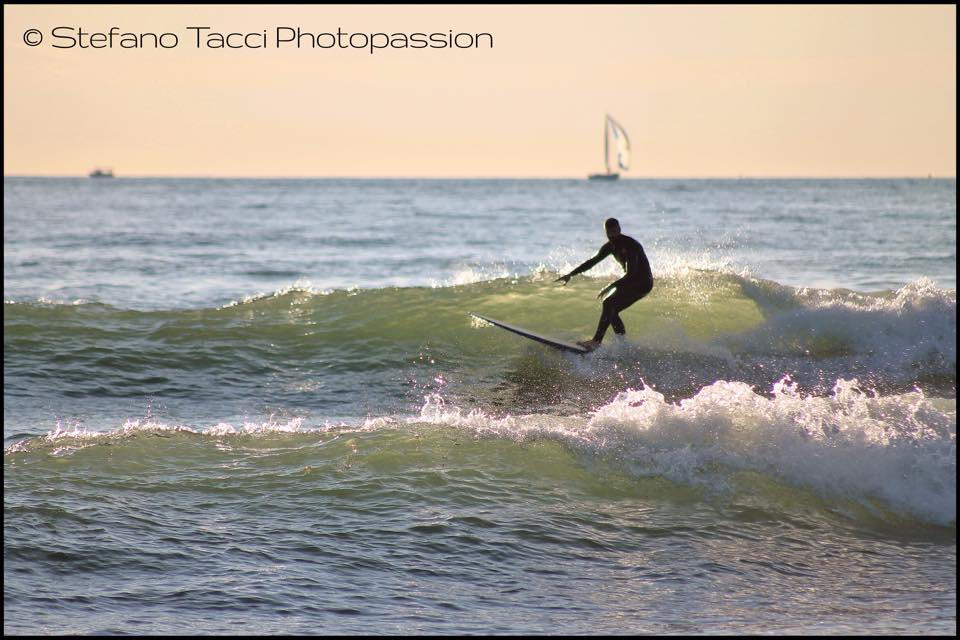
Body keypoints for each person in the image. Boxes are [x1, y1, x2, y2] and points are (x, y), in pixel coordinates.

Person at [555, 217, 653, 351]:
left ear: (619, 229)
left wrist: (609, 287)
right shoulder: (610, 246)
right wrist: (571, 274)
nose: (612, 235)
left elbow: (631, 275)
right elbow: (592, 262)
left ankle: (596, 341)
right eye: (609, 233)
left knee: (608, 303)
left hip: (642, 282)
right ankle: (623, 345)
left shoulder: (631, 245)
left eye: (614, 232)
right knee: (611, 311)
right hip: (630, 282)